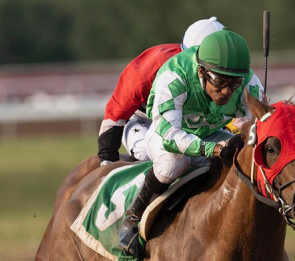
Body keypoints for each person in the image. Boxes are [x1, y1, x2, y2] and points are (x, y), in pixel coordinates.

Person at [118, 29, 265, 257]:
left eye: (234, 83)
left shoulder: (250, 84)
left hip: (210, 132)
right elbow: (168, 135)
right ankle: (133, 217)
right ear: (201, 71)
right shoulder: (174, 76)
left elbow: (260, 123)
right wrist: (213, 149)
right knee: (173, 164)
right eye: (219, 82)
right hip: (166, 134)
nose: (226, 91)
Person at [97, 17, 226, 165]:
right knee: (149, 154)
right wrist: (107, 158)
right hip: (144, 118)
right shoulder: (144, 73)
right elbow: (116, 113)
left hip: (184, 119)